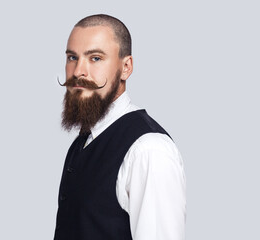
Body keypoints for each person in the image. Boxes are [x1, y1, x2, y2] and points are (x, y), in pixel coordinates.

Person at [54, 14, 186, 240]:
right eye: (72, 57)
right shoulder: (84, 141)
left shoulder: (149, 150)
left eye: (95, 58)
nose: (78, 72)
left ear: (126, 67)